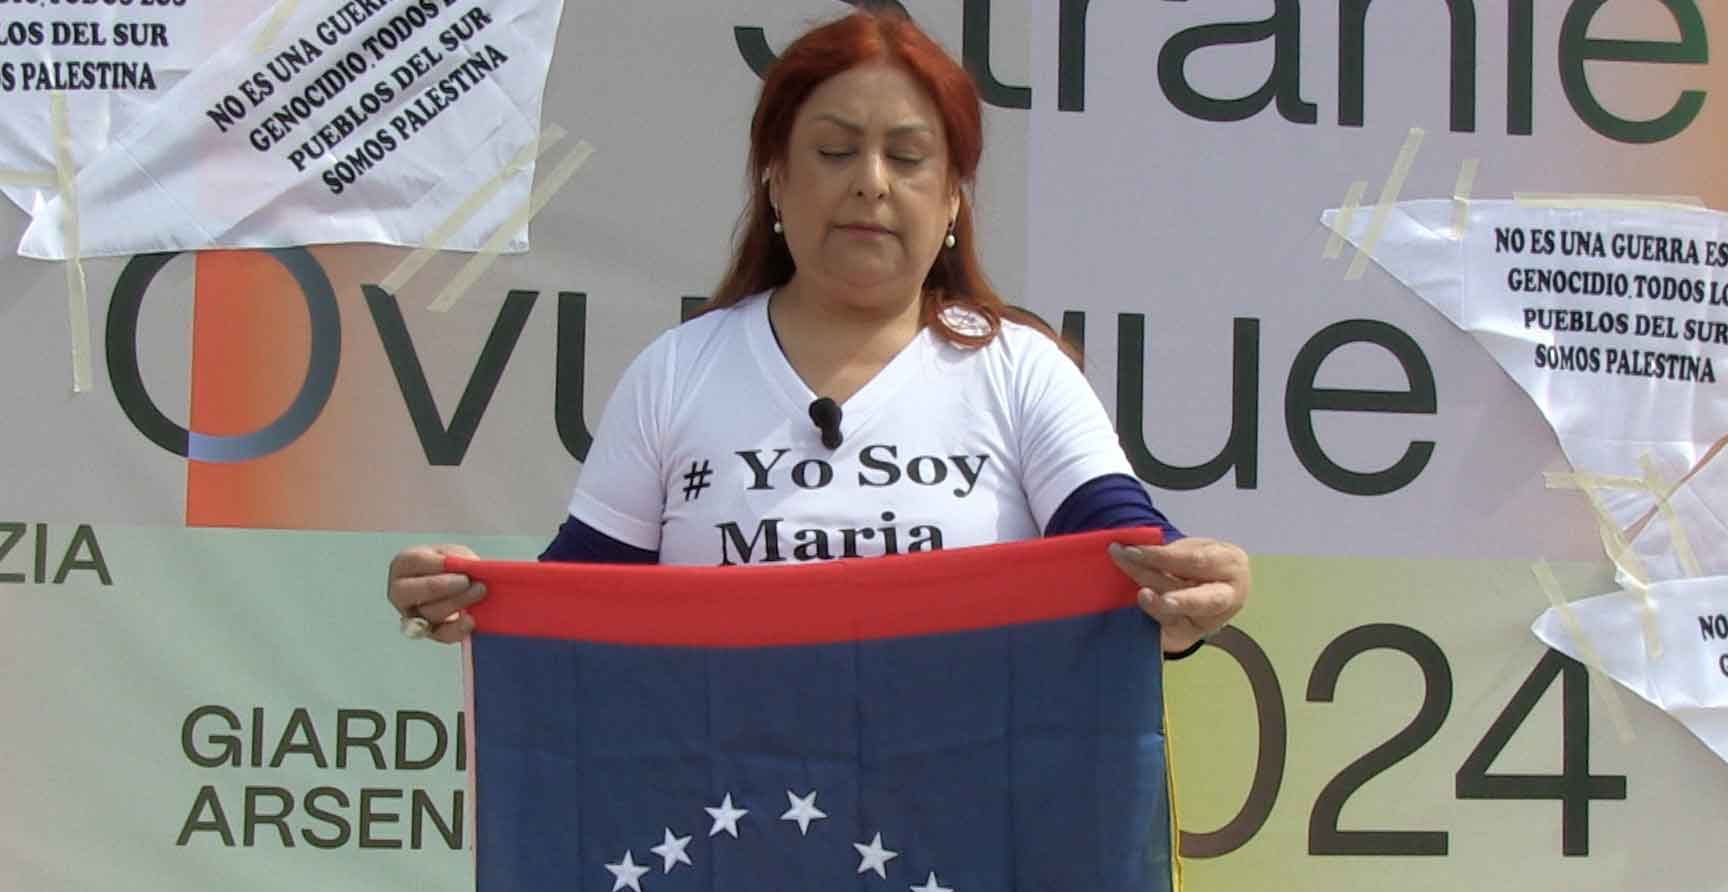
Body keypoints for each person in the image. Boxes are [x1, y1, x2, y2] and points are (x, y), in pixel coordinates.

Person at [387, 9, 1248, 653]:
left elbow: (1135, 564)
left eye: (908, 158)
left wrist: (1195, 594)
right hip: (723, 833)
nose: (871, 184)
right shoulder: (678, 371)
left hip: (965, 844)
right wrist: (469, 600)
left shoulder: (1021, 372)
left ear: (952, 200)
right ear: (775, 181)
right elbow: (575, 603)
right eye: (835, 152)